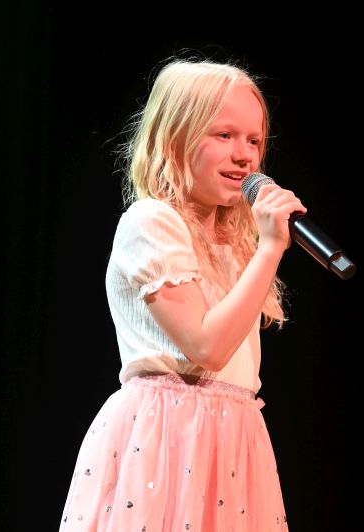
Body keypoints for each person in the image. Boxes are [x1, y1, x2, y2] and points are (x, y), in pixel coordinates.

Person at [59, 58, 306, 531]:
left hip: (233, 441)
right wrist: (271, 247)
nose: (244, 155)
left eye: (254, 140)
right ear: (175, 138)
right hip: (169, 438)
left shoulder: (237, 241)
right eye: (224, 135)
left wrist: (260, 246)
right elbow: (206, 347)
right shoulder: (152, 222)